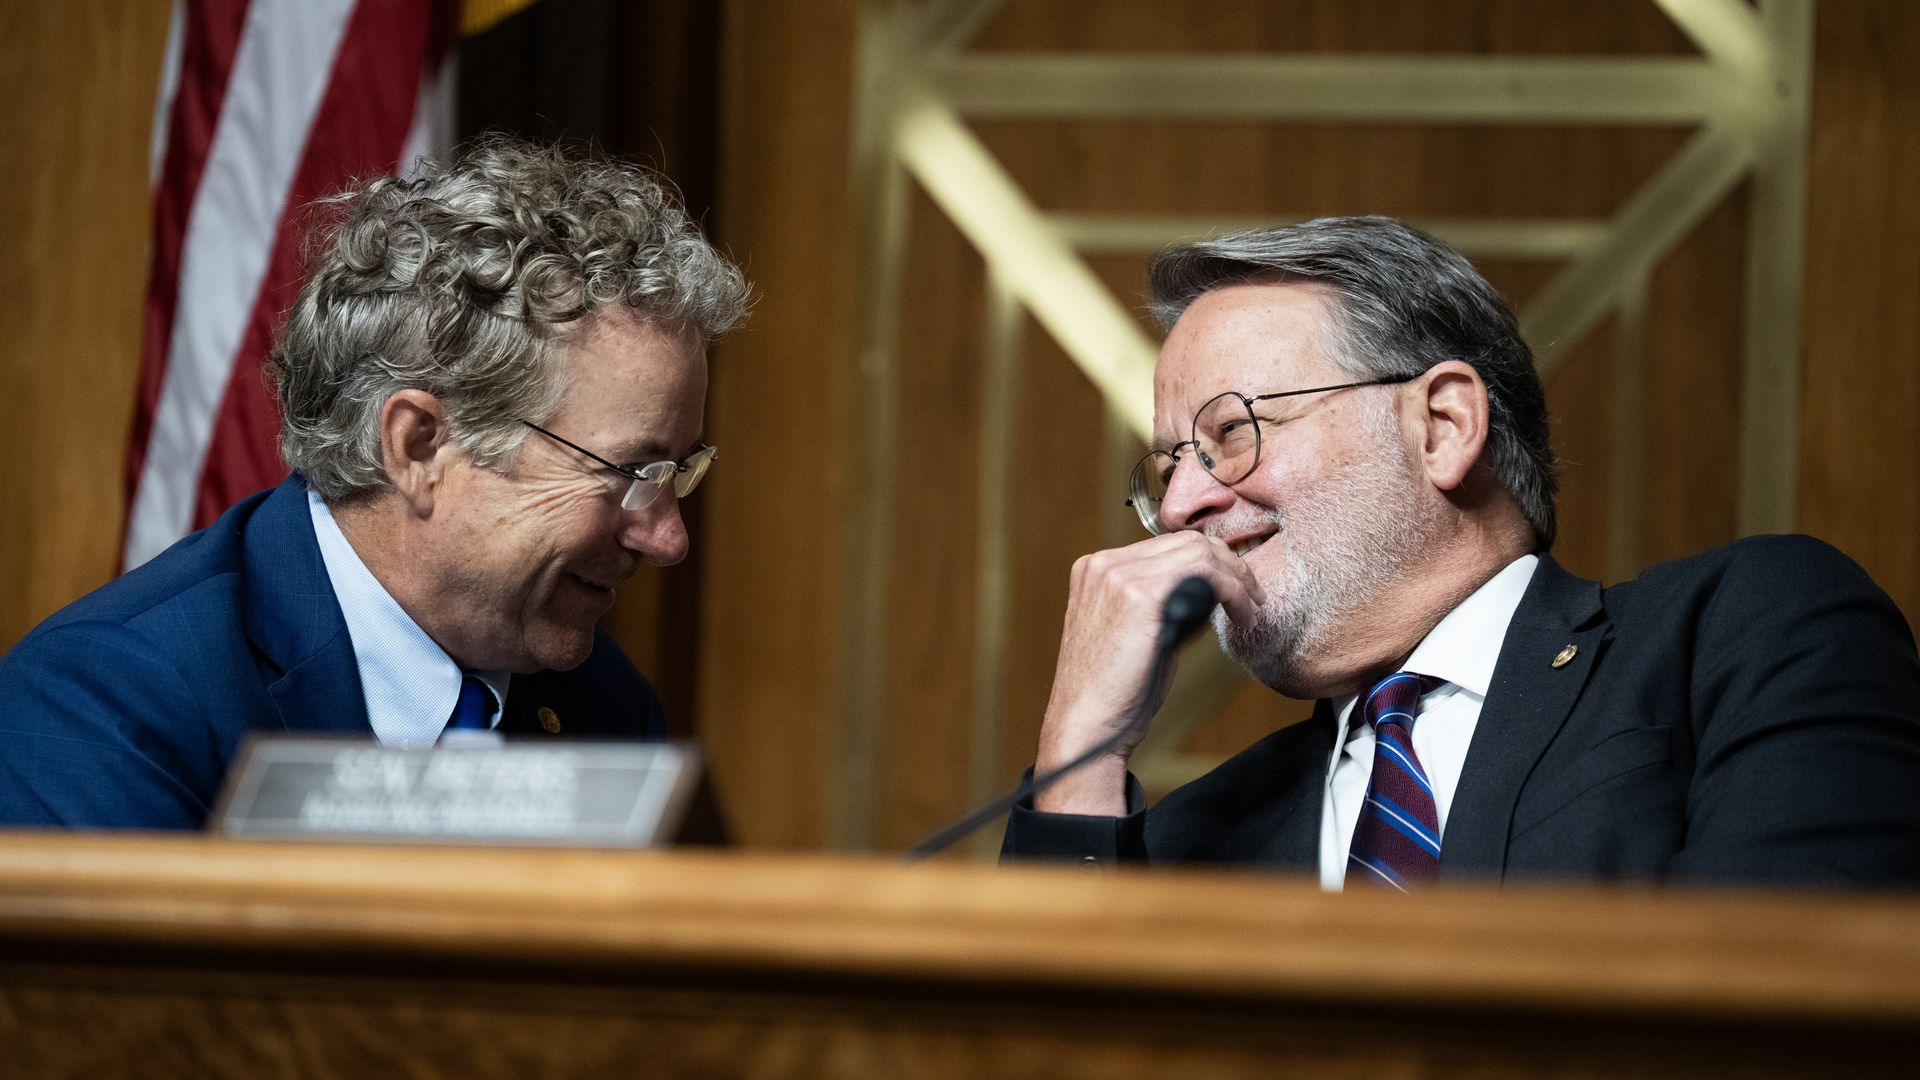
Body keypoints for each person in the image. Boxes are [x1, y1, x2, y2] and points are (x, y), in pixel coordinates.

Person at [1002, 216, 1920, 888]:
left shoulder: (1750, 631)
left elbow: (1790, 1013)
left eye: (1230, 433)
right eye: (1167, 466)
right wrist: (1080, 753)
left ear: (1442, 425)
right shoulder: (1193, 838)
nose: (1182, 501)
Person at [0, 136, 749, 829]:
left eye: (678, 471)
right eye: (630, 472)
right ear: (418, 446)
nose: (667, 537)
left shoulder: (604, 705)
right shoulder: (107, 705)